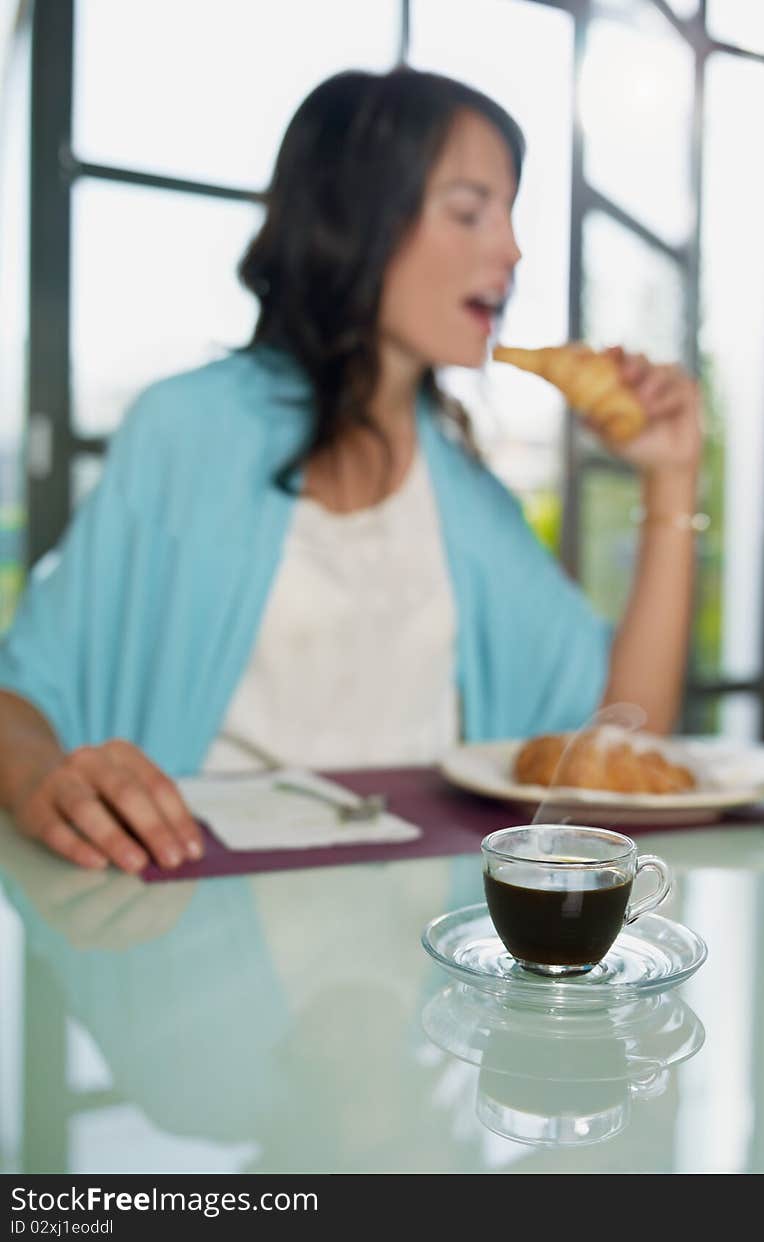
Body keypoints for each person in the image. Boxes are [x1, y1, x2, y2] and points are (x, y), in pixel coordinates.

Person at [0, 68, 702, 874]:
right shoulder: (188, 432)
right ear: (357, 220)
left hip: (426, 961)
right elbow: (18, 695)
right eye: (469, 211)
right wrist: (43, 780)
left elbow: (622, 745)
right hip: (196, 934)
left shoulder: (468, 499)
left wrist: (671, 478)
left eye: (507, 215)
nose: (510, 248)